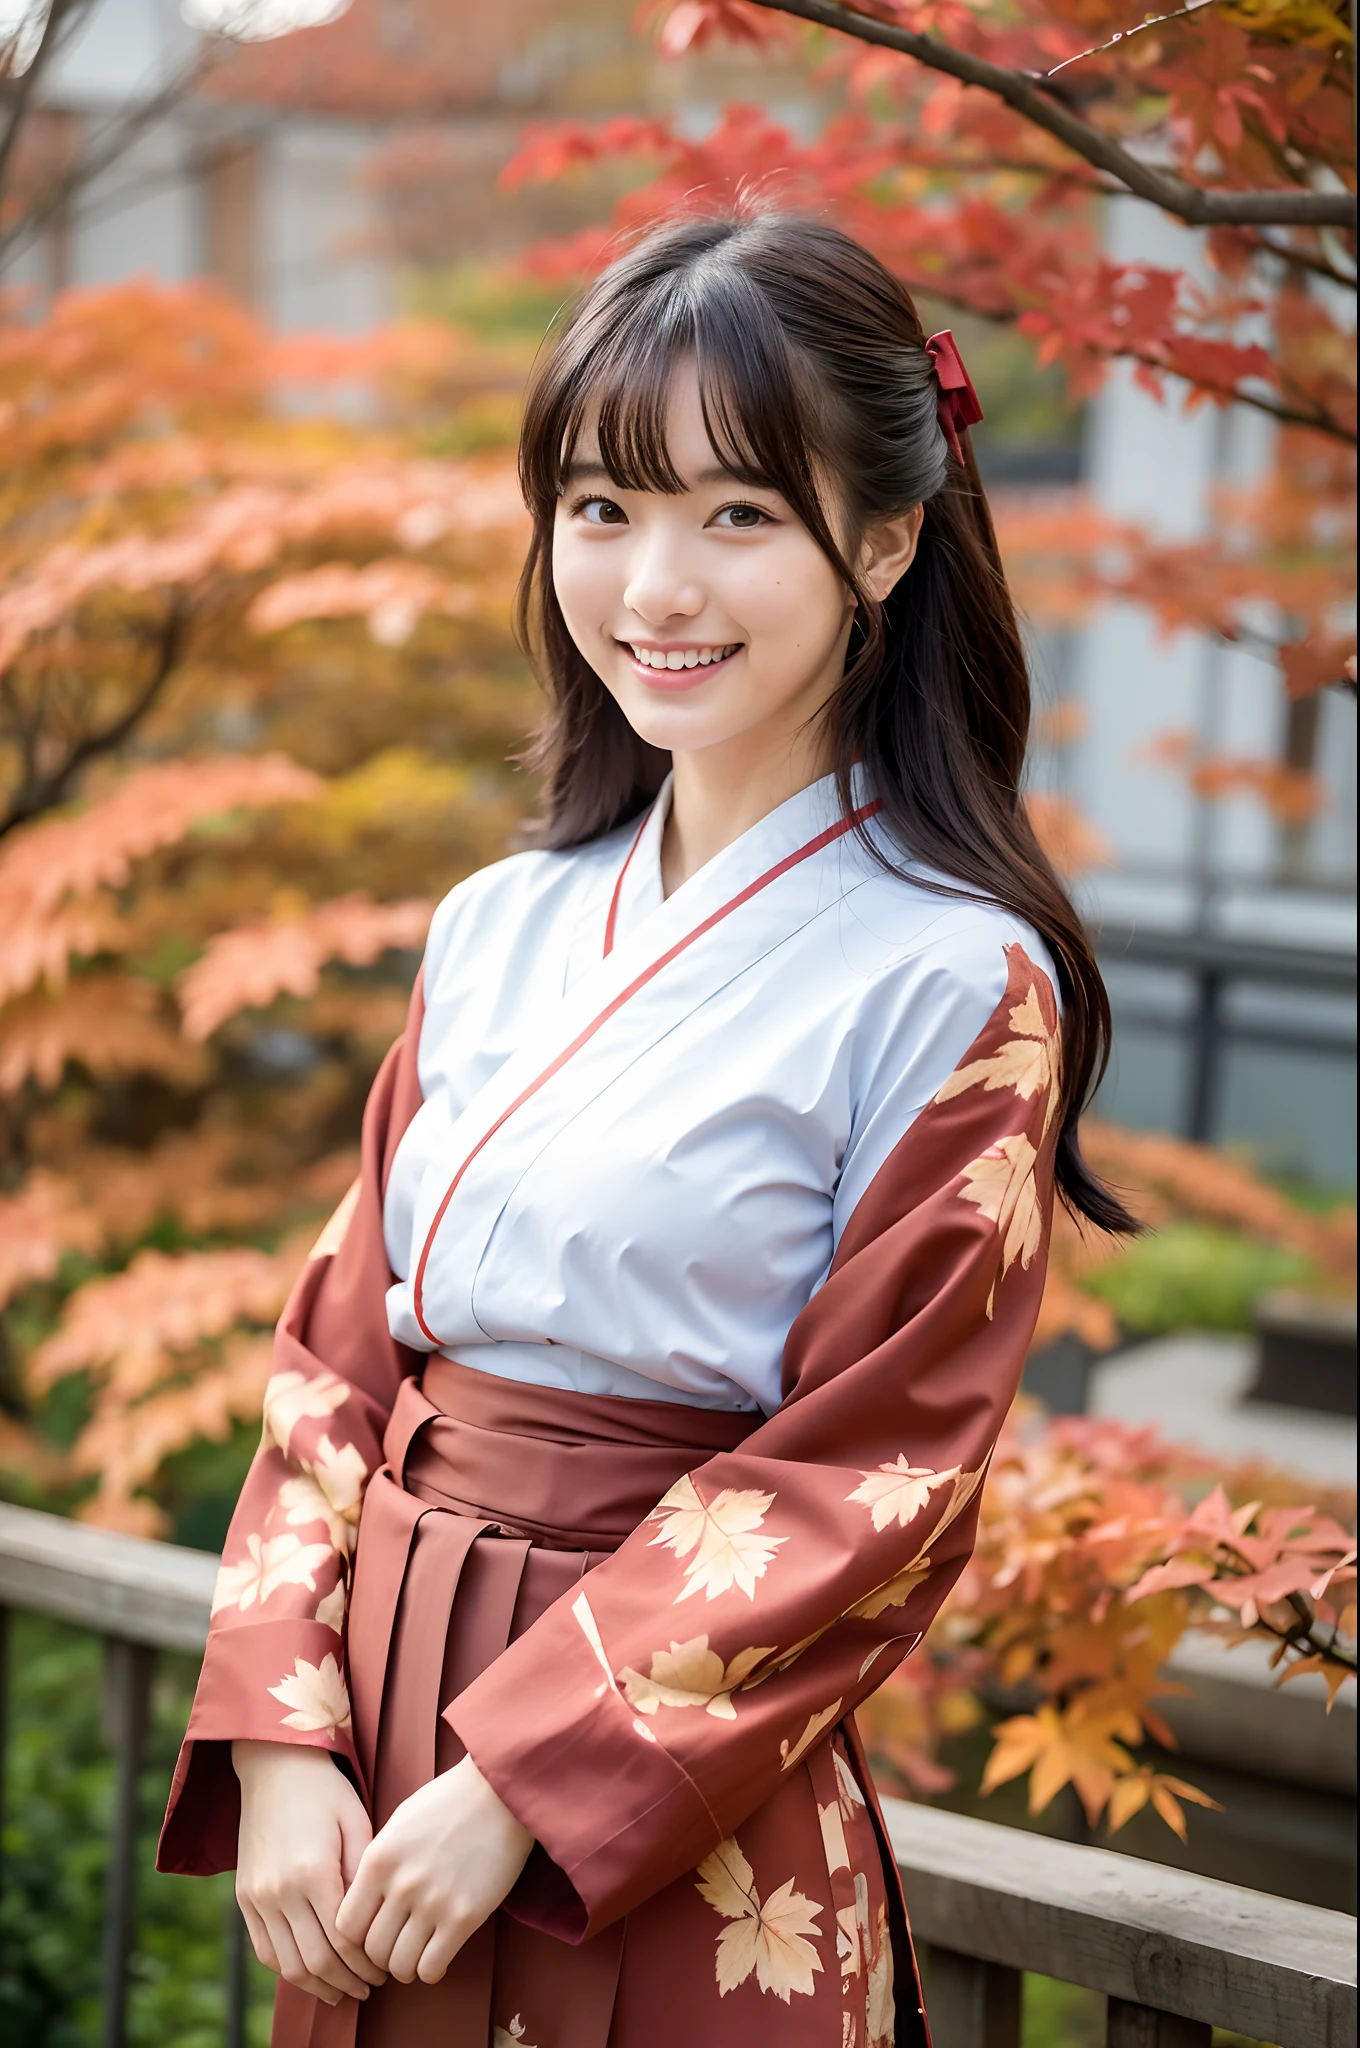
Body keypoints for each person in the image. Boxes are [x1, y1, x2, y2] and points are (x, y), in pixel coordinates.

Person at [158, 210, 1133, 2048]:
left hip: (677, 1798)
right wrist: (285, 1730)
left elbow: (874, 1478)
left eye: (738, 516)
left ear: (890, 539)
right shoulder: (495, 926)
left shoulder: (952, 974)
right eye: (602, 509)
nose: (654, 586)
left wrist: (515, 1782)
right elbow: (333, 1367)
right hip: (369, 1780)